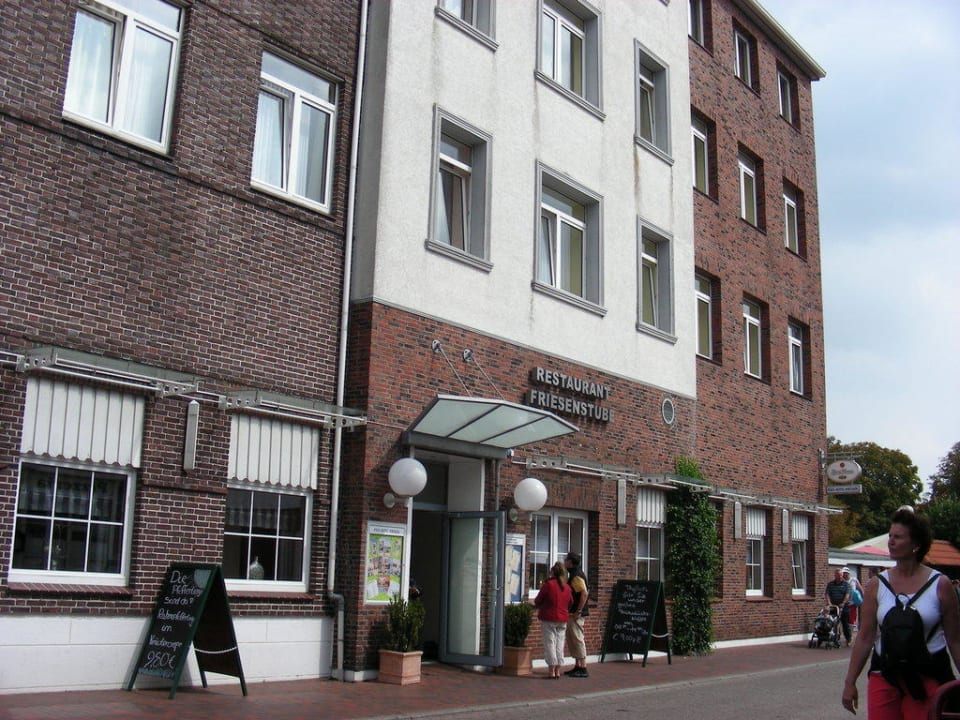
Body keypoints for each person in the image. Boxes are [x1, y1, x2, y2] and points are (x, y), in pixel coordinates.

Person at [842, 506, 960, 718]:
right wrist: (850, 682)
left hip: (928, 676)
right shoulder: (877, 585)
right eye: (890, 536)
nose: (891, 542)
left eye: (898, 537)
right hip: (885, 675)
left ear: (916, 544)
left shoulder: (940, 584)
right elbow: (866, 637)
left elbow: (955, 640)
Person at [534, 561, 572, 679]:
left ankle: (551, 670)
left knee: (550, 643)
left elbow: (538, 600)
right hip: (563, 618)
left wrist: (542, 605)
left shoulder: (548, 585)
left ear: (552, 572)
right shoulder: (567, 587)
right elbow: (570, 602)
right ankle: (557, 670)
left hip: (549, 617)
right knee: (560, 643)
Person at [563, 551, 590, 678]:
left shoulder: (576, 576)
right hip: (573, 612)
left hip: (576, 613)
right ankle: (578, 665)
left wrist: (579, 610)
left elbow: (584, 593)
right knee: (573, 638)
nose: (564, 562)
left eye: (566, 560)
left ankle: (583, 667)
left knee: (578, 638)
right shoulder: (574, 574)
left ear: (570, 562)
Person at [826, 567, 853, 647]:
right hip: (833, 607)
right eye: (838, 575)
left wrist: (843, 602)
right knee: (833, 623)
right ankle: (835, 638)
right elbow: (827, 594)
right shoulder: (830, 584)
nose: (840, 576)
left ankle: (848, 639)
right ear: (835, 575)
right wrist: (829, 602)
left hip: (844, 607)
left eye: (841, 575)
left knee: (845, 624)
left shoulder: (846, 584)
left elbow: (847, 595)